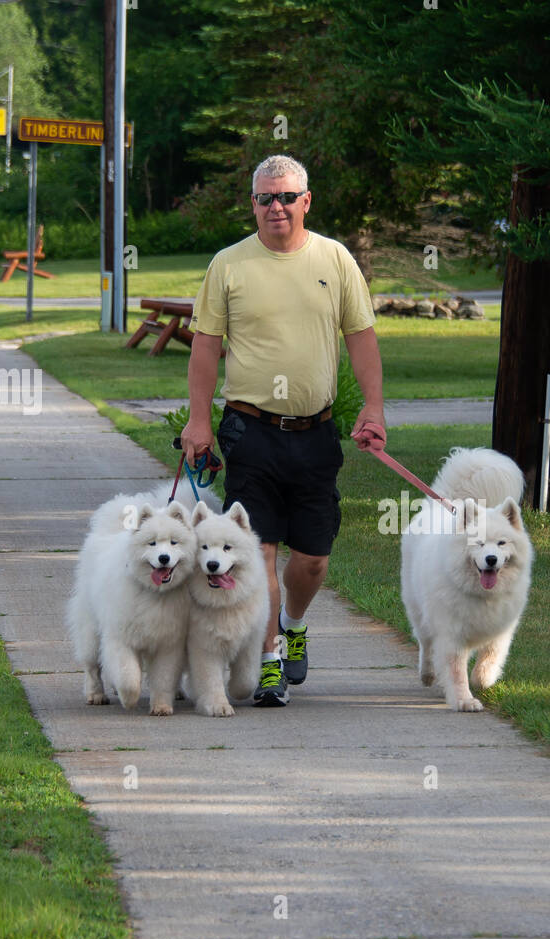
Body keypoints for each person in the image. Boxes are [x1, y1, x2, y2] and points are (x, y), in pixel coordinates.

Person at [181, 153, 387, 707]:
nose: (276, 207)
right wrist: (199, 421)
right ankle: (269, 661)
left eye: (287, 197)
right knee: (261, 549)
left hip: (316, 432)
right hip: (251, 431)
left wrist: (373, 408)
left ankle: (293, 624)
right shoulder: (228, 264)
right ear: (252, 203)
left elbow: (361, 336)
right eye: (265, 198)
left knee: (314, 557)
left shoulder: (335, 259)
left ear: (306, 201)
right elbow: (205, 345)